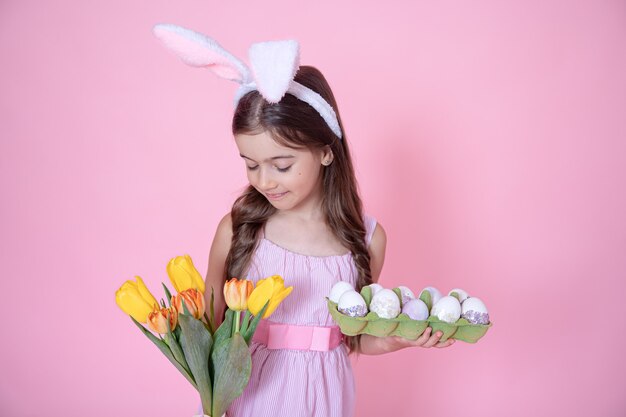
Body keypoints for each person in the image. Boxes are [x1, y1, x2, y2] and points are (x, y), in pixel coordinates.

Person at [152, 24, 454, 417]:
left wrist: (401, 338)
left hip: (326, 399)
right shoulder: (239, 231)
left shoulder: (365, 239)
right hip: (251, 396)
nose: (264, 181)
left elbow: (354, 338)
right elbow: (210, 329)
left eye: (281, 165)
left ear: (326, 152)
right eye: (251, 165)